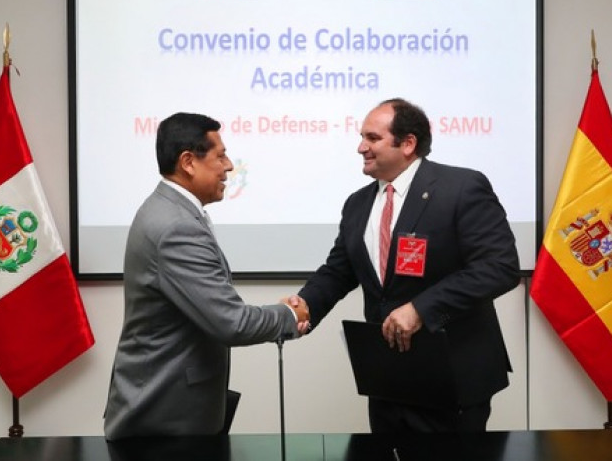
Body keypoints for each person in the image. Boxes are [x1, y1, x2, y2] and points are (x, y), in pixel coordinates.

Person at [294, 98, 520, 433]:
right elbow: (339, 271)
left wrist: (421, 308)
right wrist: (303, 306)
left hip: (453, 374)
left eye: (373, 138)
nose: (361, 147)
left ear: (408, 143)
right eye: (362, 137)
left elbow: (499, 267)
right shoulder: (357, 204)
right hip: (388, 377)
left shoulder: (461, 188)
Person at [104, 112, 309, 440]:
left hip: (168, 411)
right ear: (188, 162)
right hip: (165, 420)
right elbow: (231, 322)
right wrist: (288, 316)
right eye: (221, 156)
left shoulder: (168, 210)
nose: (229, 166)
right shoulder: (177, 226)